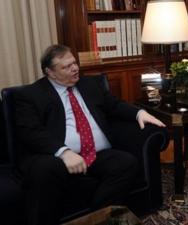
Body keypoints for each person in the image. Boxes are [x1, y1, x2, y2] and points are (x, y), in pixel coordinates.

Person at [14, 44, 166, 225]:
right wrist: (64, 152)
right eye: (66, 67)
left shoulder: (90, 84)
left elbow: (114, 105)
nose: (75, 68)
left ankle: (97, 218)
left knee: (126, 163)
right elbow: (30, 131)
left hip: (97, 153)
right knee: (43, 171)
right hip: (59, 159)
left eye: (74, 63)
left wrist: (139, 113)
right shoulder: (31, 95)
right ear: (50, 72)